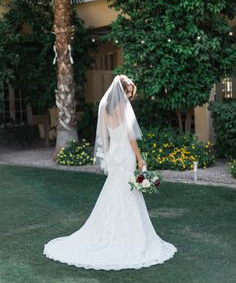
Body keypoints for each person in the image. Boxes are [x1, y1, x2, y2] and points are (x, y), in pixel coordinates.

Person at [43, 74, 177, 270]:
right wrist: (140, 158)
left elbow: (105, 137)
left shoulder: (104, 109)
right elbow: (131, 137)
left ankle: (111, 229)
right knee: (130, 190)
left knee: (117, 187)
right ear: (122, 91)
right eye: (129, 91)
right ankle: (129, 234)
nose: (130, 95)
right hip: (125, 153)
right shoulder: (124, 108)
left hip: (114, 154)